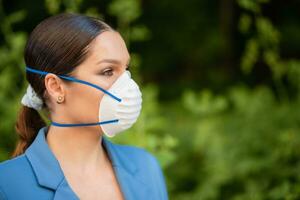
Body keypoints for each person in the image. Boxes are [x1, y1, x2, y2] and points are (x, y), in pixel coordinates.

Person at [0, 13, 168, 200]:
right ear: (55, 87)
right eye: (107, 71)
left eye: (125, 69)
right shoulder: (7, 186)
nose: (128, 85)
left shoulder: (146, 167)